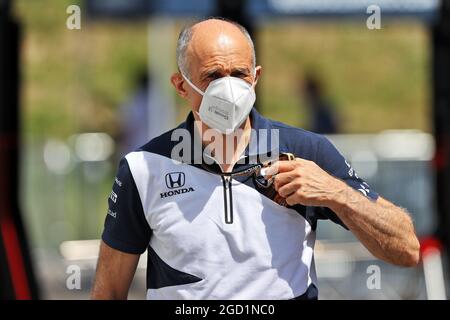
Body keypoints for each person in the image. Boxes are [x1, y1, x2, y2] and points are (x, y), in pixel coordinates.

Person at [91, 18, 420, 300]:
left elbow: (406, 248)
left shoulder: (305, 152)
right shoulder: (144, 167)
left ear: (256, 77)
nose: (229, 88)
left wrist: (335, 193)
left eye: (239, 74)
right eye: (213, 76)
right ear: (181, 84)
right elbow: (108, 291)